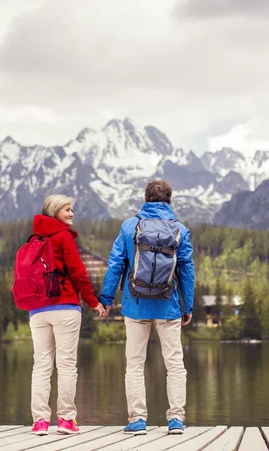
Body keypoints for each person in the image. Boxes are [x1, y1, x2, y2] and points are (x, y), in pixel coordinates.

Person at [99, 180, 194, 436]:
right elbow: (186, 270)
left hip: (136, 305)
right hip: (169, 305)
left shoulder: (130, 226)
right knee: (174, 364)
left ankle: (138, 420)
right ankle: (176, 419)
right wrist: (189, 305)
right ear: (169, 200)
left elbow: (115, 264)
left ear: (145, 198)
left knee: (135, 364)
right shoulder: (180, 230)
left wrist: (106, 299)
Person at [30, 194, 106, 436]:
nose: (72, 213)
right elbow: (78, 273)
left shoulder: (35, 238)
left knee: (41, 365)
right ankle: (65, 420)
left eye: (72, 209)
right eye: (67, 210)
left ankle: (40, 422)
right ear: (54, 212)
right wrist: (94, 302)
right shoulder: (63, 236)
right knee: (66, 365)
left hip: (37, 310)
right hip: (64, 307)